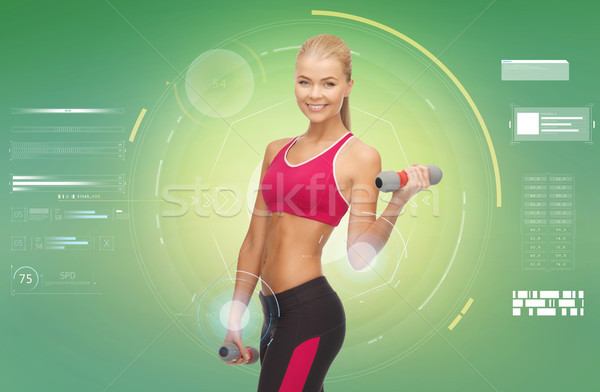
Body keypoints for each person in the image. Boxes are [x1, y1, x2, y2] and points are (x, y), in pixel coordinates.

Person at [222, 34, 431, 391]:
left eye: (328, 83)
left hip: (310, 313)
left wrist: (398, 202)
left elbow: (359, 256)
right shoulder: (276, 150)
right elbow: (255, 241)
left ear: (348, 86)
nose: (314, 94)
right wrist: (235, 319)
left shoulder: (359, 157)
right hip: (271, 313)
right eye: (304, 82)